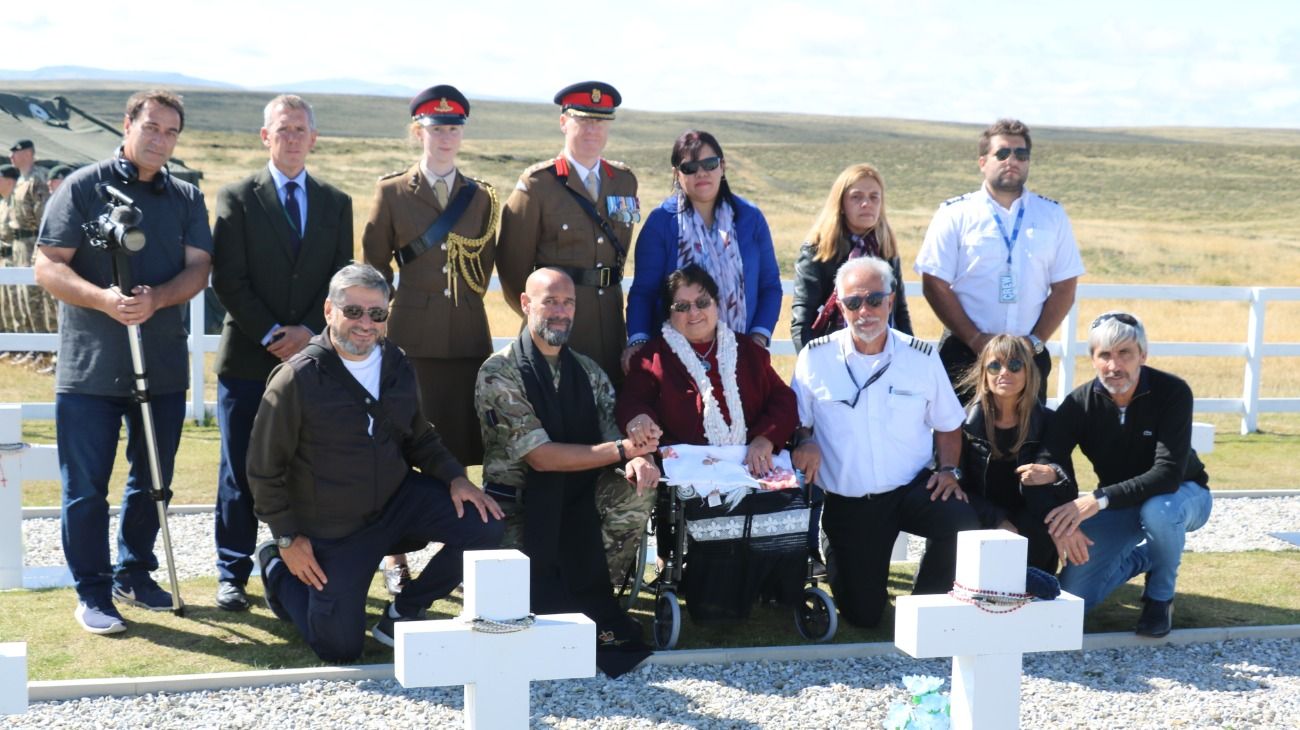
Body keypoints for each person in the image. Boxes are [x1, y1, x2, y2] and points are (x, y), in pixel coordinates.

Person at [248, 264, 503, 663]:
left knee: (487, 526)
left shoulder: (396, 361)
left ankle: (405, 609)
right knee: (339, 648)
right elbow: (263, 470)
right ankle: (276, 572)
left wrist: (456, 478)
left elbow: (419, 436)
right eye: (353, 311)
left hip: (396, 502)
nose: (365, 323)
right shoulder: (295, 380)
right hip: (336, 527)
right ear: (330, 312)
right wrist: (286, 539)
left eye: (377, 313)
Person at [34, 90, 214, 635]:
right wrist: (105, 299)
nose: (161, 140)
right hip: (89, 369)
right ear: (128, 124)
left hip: (160, 366)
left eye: (171, 132)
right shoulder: (83, 187)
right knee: (86, 487)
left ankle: (133, 572)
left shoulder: (185, 196)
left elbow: (200, 267)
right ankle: (91, 591)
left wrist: (156, 298)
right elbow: (47, 264)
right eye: (152, 128)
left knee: (152, 478)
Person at [210, 94, 353, 612]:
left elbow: (341, 280)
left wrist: (310, 333)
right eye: (282, 129)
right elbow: (228, 278)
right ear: (265, 137)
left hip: (313, 362)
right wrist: (274, 332)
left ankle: (304, 571)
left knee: (306, 466)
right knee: (240, 468)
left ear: (313, 139)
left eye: (300, 130)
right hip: (250, 359)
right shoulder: (236, 197)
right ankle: (232, 571)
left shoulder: (336, 202)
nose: (292, 137)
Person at [790, 256, 979, 628]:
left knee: (961, 521)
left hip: (911, 487)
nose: (865, 311)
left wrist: (948, 470)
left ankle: (924, 608)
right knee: (863, 615)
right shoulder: (815, 358)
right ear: (839, 306)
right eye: (853, 302)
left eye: (874, 299)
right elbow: (799, 424)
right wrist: (804, 440)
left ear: (891, 301)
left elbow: (948, 424)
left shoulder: (921, 357)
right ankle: (837, 547)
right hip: (851, 502)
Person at [363, 84, 499, 594]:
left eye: (454, 128)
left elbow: (481, 268)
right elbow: (375, 265)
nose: (446, 137)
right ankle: (393, 556)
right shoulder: (393, 192)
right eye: (436, 128)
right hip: (409, 337)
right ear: (419, 131)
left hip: (465, 337)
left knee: (458, 445)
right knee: (399, 444)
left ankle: (456, 554)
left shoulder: (482, 196)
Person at [475, 267, 656, 644]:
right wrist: (623, 449)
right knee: (512, 614)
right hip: (517, 506)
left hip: (578, 499)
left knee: (637, 488)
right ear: (526, 304)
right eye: (550, 302)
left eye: (568, 303)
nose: (560, 311)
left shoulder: (587, 372)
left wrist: (639, 459)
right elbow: (541, 457)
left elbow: (615, 430)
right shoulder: (499, 372)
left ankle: (591, 594)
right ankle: (564, 597)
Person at [1037, 311, 1212, 637]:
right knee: (1074, 599)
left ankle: (1160, 598)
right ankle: (1148, 558)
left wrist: (1097, 500)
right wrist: (1062, 519)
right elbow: (1049, 460)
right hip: (1119, 502)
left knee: (1158, 510)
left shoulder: (1173, 392)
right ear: (1092, 358)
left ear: (1142, 355)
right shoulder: (1079, 403)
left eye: (1125, 354)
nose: (1114, 366)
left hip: (1182, 495)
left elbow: (1167, 474)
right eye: (1105, 355)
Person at [914, 119, 1085, 401]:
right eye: (1002, 153)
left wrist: (1034, 342)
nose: (1012, 161)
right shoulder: (955, 214)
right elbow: (934, 283)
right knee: (959, 439)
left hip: (1026, 356)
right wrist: (975, 340)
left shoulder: (1051, 215)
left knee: (1027, 441)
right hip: (965, 352)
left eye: (1021, 154)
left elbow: (1065, 286)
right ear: (983, 161)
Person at [497, 81, 638, 381]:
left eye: (600, 121)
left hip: (611, 327)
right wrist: (543, 316)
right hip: (559, 332)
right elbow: (513, 269)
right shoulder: (538, 184)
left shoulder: (623, 182)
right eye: (583, 120)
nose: (592, 130)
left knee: (611, 420)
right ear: (563, 122)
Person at [623, 130, 781, 371]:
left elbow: (769, 286)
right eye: (690, 167)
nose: (701, 173)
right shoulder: (661, 223)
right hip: (675, 360)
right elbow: (644, 293)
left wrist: (758, 337)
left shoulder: (750, 218)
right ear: (677, 174)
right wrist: (639, 340)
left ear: (723, 167)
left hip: (742, 356)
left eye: (710, 163)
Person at [957, 334, 1073, 573]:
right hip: (980, 517)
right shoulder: (963, 424)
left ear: (1028, 373)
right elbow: (959, 489)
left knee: (1037, 526)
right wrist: (997, 519)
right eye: (994, 365)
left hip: (1032, 523)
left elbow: (1068, 487)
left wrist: (1052, 475)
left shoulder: (1049, 422)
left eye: (1015, 365)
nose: (1004, 372)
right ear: (984, 374)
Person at [792, 163, 913, 352]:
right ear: (841, 204)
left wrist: (909, 358)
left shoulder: (886, 249)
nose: (867, 203)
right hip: (833, 356)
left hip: (886, 355)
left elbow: (900, 312)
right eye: (856, 197)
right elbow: (802, 321)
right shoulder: (818, 250)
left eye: (874, 197)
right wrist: (812, 365)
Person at [8, 139, 53, 336]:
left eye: (15, 152)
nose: (11, 156)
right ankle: (33, 346)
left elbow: (43, 216)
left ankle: (46, 345)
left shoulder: (38, 178)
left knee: (39, 295)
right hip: (19, 243)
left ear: (27, 154)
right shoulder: (20, 179)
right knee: (24, 294)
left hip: (33, 241)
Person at [0, 164, 18, 341]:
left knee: (19, 301)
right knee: (7, 303)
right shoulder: (3, 203)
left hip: (16, 257)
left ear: (10, 181)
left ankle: (33, 346)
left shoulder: (16, 202)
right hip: (4, 258)